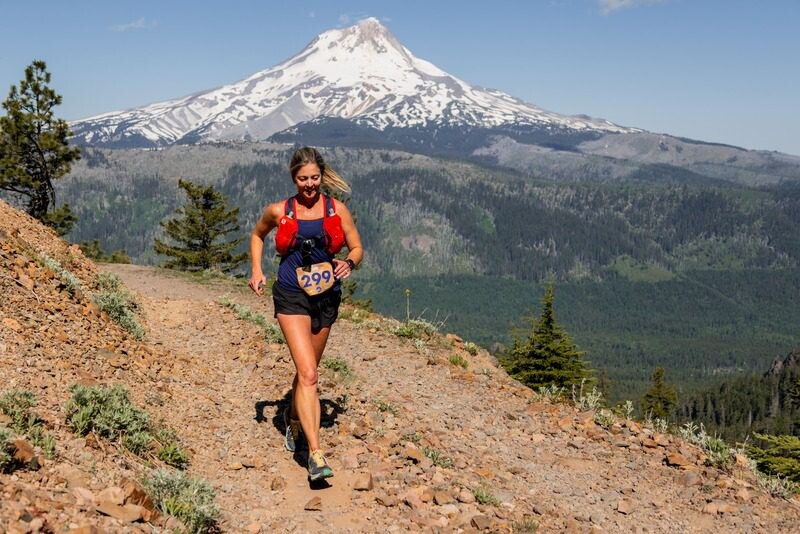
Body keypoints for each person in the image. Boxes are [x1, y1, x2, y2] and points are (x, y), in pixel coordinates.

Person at [248, 147, 363, 481]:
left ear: (321, 176)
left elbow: (357, 247)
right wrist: (256, 270)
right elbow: (257, 235)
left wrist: (349, 263)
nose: (309, 184)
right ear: (293, 178)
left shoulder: (336, 209)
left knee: (306, 371)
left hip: (326, 296)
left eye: (314, 178)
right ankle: (315, 454)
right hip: (291, 294)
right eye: (303, 179)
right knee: (310, 374)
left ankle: (294, 417)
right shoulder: (278, 211)